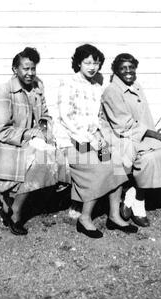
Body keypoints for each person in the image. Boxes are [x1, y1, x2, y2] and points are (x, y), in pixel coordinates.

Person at [55, 44, 136, 238]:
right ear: (79, 63)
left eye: (96, 63)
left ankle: (114, 216)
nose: (92, 67)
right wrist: (88, 139)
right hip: (73, 140)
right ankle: (84, 218)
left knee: (116, 163)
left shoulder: (97, 87)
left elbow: (99, 120)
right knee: (99, 167)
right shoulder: (68, 84)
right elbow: (66, 117)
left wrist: (102, 139)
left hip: (94, 138)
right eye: (87, 62)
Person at [0, 47, 58, 236]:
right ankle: (15, 212)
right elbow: (2, 131)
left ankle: (10, 208)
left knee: (52, 157)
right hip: (6, 144)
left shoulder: (37, 87)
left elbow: (45, 115)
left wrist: (42, 131)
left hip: (30, 141)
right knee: (36, 162)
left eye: (33, 68)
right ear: (15, 69)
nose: (30, 73)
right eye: (25, 68)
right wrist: (31, 134)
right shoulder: (5, 90)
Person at [101, 53, 161, 227]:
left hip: (138, 136)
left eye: (131, 67)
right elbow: (123, 125)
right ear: (116, 71)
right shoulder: (112, 91)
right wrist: (156, 136)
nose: (128, 71)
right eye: (123, 68)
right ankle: (139, 204)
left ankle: (132, 196)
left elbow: (145, 118)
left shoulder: (136, 86)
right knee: (148, 157)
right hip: (119, 139)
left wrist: (158, 140)